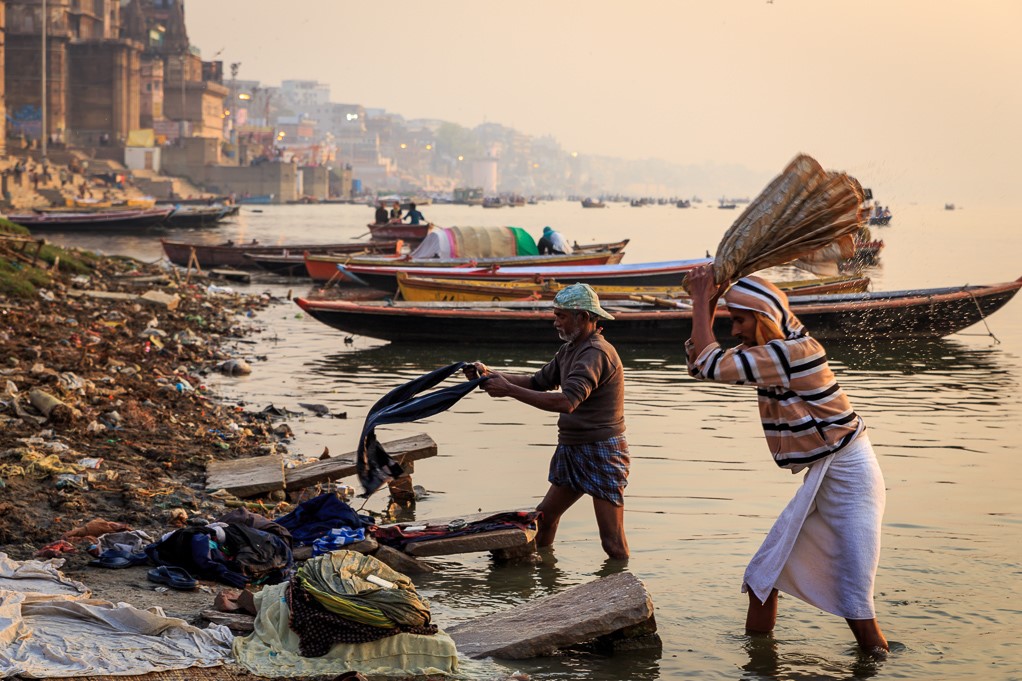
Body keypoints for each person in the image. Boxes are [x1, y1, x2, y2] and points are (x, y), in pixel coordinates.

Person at [684, 265, 889, 654]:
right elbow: (700, 365)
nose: (735, 330)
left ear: (762, 317)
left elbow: (709, 364)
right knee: (763, 580)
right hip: (825, 475)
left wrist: (700, 300)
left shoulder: (792, 353)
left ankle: (879, 666)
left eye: (740, 320)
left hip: (850, 478)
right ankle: (759, 666)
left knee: (858, 609)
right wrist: (710, 301)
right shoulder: (777, 346)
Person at [464, 283, 629, 559]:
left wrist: (509, 391)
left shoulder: (596, 354)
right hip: (573, 448)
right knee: (545, 519)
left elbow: (567, 402)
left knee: (611, 542)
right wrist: (489, 375)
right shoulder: (570, 350)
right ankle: (544, 573)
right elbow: (537, 382)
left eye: (561, 316)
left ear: (584, 317)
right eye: (555, 315)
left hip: (601, 451)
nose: (555, 322)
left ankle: (628, 590)